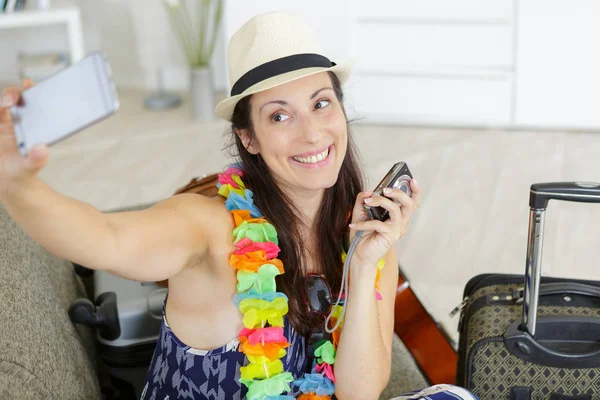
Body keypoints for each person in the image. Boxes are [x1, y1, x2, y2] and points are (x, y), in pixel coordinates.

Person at [0, 11, 475, 400]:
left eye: (322, 103)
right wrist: (17, 184)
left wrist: (367, 260)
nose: (312, 133)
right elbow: (106, 239)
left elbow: (358, 392)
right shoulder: (211, 226)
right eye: (279, 115)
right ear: (248, 137)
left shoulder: (365, 232)